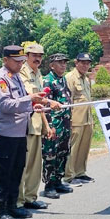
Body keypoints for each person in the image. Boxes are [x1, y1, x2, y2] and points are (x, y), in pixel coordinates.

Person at [0, 45, 48, 219]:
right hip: (6, 133)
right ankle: (0, 211)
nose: (20, 64)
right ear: (5, 60)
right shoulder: (0, 78)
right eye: (17, 61)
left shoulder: (15, 77)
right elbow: (6, 105)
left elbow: (21, 102)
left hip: (19, 132)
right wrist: (29, 99)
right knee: (4, 174)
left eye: (22, 61)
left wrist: (33, 106)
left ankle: (12, 206)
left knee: (17, 171)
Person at [18, 43, 53, 209]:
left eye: (40, 56)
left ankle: (30, 198)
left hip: (37, 124)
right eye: (34, 56)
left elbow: (40, 107)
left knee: (35, 165)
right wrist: (51, 102)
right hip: (25, 124)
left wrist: (46, 126)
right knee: (23, 165)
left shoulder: (38, 74)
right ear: (26, 56)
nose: (38, 59)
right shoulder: (22, 73)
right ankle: (18, 201)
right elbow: (31, 97)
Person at [42, 54, 74, 198]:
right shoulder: (48, 81)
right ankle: (49, 185)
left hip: (65, 123)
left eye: (64, 63)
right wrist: (49, 125)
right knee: (51, 154)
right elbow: (45, 104)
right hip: (54, 125)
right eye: (59, 63)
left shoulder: (63, 80)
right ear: (52, 65)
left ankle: (58, 180)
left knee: (63, 152)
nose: (63, 65)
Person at [65, 52, 95, 185]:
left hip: (87, 119)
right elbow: (68, 100)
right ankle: (69, 175)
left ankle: (80, 172)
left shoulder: (86, 78)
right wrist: (69, 120)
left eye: (87, 63)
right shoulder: (70, 77)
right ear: (76, 63)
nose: (85, 65)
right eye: (82, 62)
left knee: (84, 147)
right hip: (75, 120)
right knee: (73, 148)